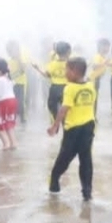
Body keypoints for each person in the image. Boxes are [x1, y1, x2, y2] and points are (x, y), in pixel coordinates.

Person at [47, 57, 96, 201]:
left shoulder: (70, 88)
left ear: (74, 72)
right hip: (89, 126)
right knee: (86, 159)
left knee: (64, 157)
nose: (65, 73)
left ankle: (54, 184)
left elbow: (64, 109)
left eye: (66, 70)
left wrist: (54, 125)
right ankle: (87, 192)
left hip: (73, 129)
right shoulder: (90, 85)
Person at [33, 42, 71, 123]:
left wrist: (37, 68)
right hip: (67, 88)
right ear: (68, 52)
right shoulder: (70, 64)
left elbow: (46, 75)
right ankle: (65, 122)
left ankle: (54, 119)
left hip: (55, 88)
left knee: (51, 105)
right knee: (66, 107)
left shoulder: (53, 64)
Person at [0, 58, 18, 150]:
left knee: (0, 126)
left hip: (4, 103)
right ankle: (13, 143)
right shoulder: (8, 78)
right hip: (13, 101)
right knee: (9, 124)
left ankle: (6, 144)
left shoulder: (0, 79)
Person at [6, 41, 31, 124]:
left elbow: (23, 70)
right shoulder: (9, 61)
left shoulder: (21, 60)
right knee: (12, 100)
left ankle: (23, 117)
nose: (15, 52)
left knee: (21, 101)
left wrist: (19, 58)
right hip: (12, 84)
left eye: (16, 50)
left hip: (21, 83)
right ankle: (13, 116)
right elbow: (7, 73)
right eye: (12, 51)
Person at [90, 38, 111, 114]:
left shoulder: (102, 57)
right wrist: (105, 63)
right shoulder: (97, 56)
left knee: (95, 98)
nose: (107, 49)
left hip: (97, 79)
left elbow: (104, 64)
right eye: (105, 46)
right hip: (93, 80)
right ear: (100, 47)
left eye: (108, 46)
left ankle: (93, 116)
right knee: (93, 99)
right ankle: (92, 116)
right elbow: (94, 66)